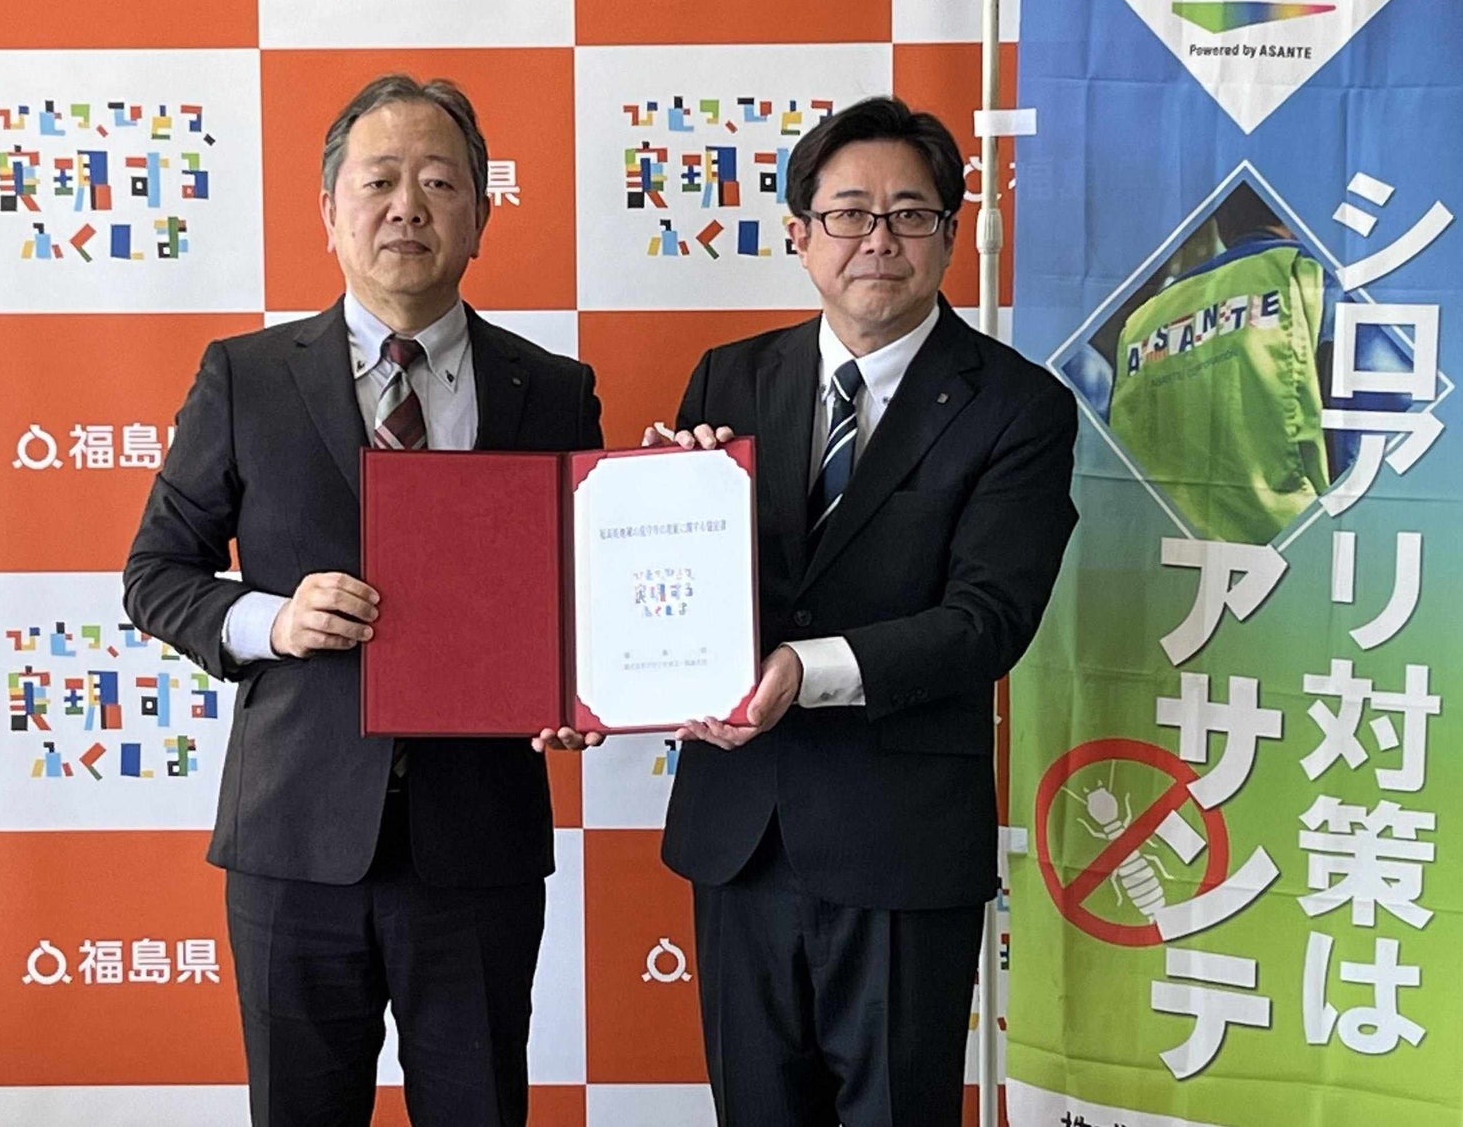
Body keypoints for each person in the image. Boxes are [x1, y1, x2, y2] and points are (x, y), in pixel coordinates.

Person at [124, 74, 603, 1127]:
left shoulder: (552, 390)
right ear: (329, 212)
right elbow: (156, 573)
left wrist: (583, 689)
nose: (407, 208)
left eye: (440, 182)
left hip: (476, 843)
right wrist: (272, 621)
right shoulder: (246, 376)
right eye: (379, 181)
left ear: (481, 215)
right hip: (294, 839)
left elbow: (586, 593)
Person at [649, 95, 1078, 1126]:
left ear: (950, 235)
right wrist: (669, 507)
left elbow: (988, 618)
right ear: (800, 235)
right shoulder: (730, 378)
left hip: (900, 845)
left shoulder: (1019, 406)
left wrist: (807, 670)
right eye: (848, 213)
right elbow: (682, 578)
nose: (877, 239)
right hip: (739, 833)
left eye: (909, 214)